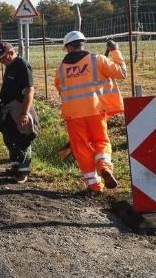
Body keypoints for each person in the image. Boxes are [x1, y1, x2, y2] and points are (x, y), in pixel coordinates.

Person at [54, 31, 126, 194]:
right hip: (96, 111)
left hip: (73, 115)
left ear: (68, 47)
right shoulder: (98, 60)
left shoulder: (60, 70)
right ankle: (104, 167)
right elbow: (122, 73)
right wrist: (115, 51)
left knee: (81, 149)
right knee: (101, 141)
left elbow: (60, 90)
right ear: (82, 44)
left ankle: (94, 186)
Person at [0, 41, 39, 184]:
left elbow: (29, 90)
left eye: (3, 57)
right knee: (10, 137)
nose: (1, 61)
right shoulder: (10, 65)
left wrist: (24, 113)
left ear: (11, 53)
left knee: (23, 137)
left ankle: (24, 170)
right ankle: (16, 166)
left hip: (19, 107)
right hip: (9, 107)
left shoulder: (22, 65)